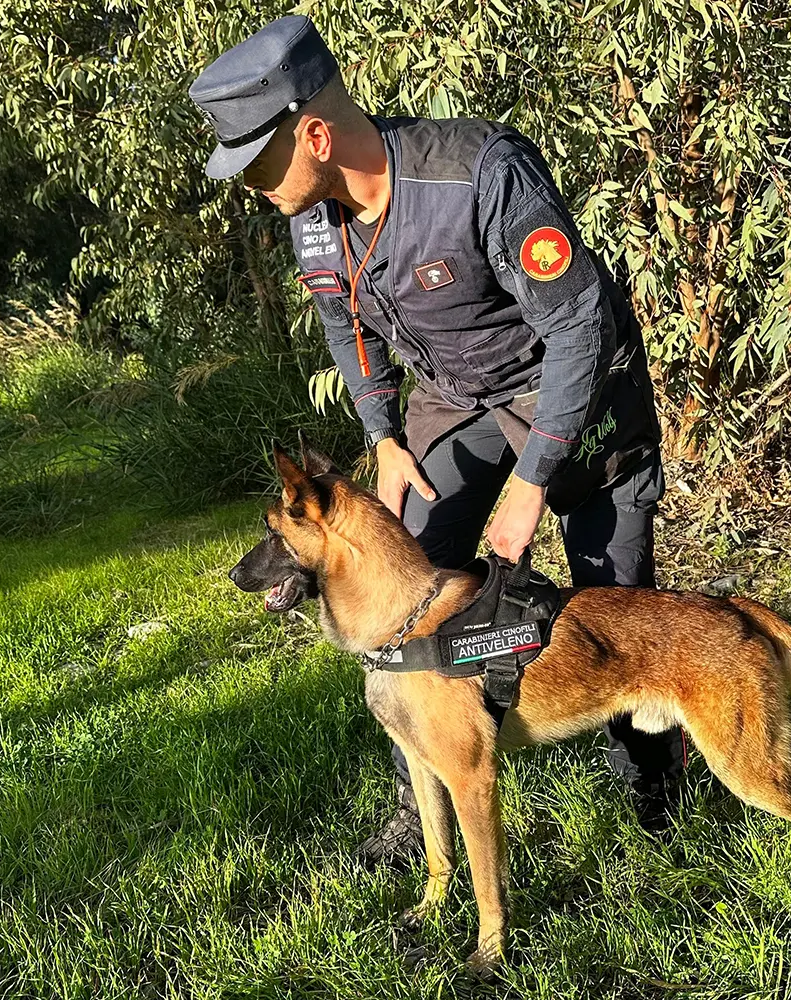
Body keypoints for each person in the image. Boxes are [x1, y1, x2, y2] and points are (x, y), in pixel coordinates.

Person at [189, 15, 684, 868]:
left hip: (572, 389)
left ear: (314, 133)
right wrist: (382, 433)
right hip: (453, 398)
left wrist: (532, 482)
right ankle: (429, 786)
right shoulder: (314, 217)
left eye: (256, 165)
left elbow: (577, 329)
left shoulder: (480, 174)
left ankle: (652, 784)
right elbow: (348, 334)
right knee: (396, 570)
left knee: (621, 596)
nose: (249, 187)